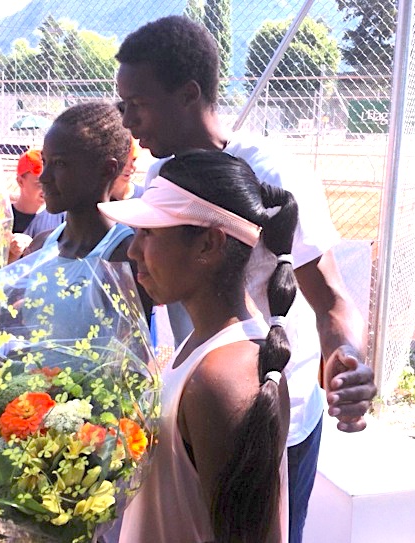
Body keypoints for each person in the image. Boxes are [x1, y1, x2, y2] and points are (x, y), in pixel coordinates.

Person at [116, 16, 376, 541]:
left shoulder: (272, 173)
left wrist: (346, 361)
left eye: (136, 105)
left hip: (266, 402)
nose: (128, 123)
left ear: (189, 95)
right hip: (192, 390)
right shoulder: (159, 173)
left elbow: (331, 302)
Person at [98, 150, 294, 542]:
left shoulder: (224, 378)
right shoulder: (202, 348)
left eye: (149, 233)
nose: (133, 251)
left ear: (208, 244)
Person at [21, 100, 153, 321]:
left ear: (106, 170)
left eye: (60, 164)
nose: (44, 177)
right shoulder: (40, 247)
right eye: (45, 162)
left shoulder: (126, 259)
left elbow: (133, 350)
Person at [8, 148, 63, 263]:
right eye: (39, 184)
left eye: (51, 182)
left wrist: (35, 247)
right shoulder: (4, 218)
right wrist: (12, 254)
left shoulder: (61, 216)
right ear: (20, 181)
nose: (47, 189)